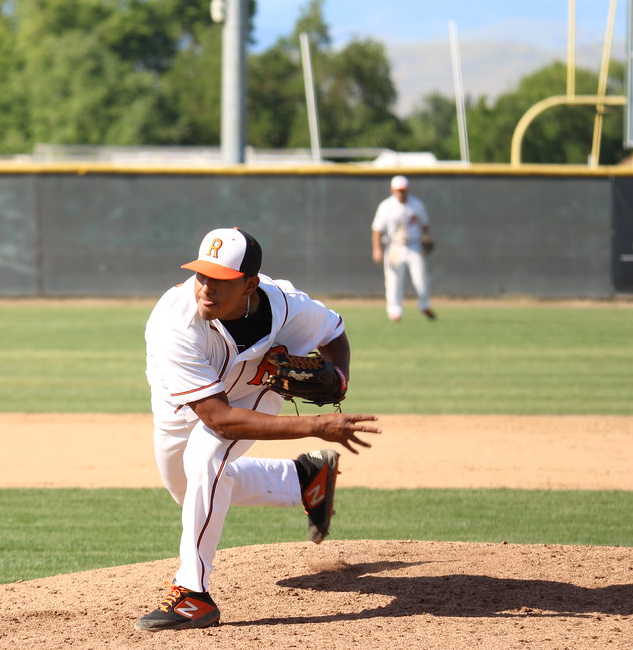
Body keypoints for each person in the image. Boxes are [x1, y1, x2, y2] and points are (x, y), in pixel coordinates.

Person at [136, 227, 382, 632]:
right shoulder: (175, 322)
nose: (206, 288)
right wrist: (316, 425)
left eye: (222, 280)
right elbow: (216, 415)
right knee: (188, 490)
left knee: (205, 459)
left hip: (252, 397)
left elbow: (334, 332)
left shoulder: (287, 307)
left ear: (250, 283)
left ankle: (192, 594)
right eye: (202, 275)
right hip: (181, 409)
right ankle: (303, 479)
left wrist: (339, 378)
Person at [371, 175, 436, 321]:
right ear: (392, 190)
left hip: (414, 245)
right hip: (394, 246)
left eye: (403, 190)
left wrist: (425, 236)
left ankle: (424, 305)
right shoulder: (386, 206)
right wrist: (377, 249)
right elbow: (377, 230)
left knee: (421, 278)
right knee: (393, 280)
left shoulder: (416, 204)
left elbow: (424, 224)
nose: (401, 193)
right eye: (398, 190)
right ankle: (395, 311)